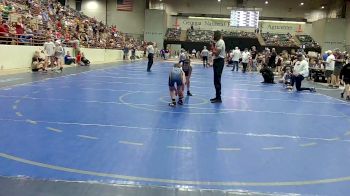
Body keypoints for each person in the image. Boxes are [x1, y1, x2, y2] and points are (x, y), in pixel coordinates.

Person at [210, 31, 225, 103]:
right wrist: (213, 47)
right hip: (217, 61)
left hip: (219, 61)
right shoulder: (218, 42)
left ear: (216, 35)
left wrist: (213, 47)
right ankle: (217, 96)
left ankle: (219, 98)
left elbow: (216, 53)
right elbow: (214, 52)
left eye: (214, 35)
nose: (213, 36)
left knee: (217, 80)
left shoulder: (220, 42)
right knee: (215, 80)